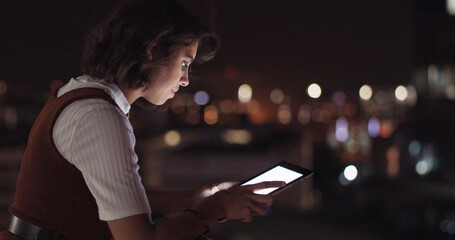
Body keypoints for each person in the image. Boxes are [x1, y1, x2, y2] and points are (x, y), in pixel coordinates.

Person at [0, 0, 285, 239]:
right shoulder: (99, 116)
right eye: (184, 63)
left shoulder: (79, 93)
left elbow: (121, 201)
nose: (186, 79)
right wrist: (216, 209)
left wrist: (204, 197)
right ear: (154, 48)